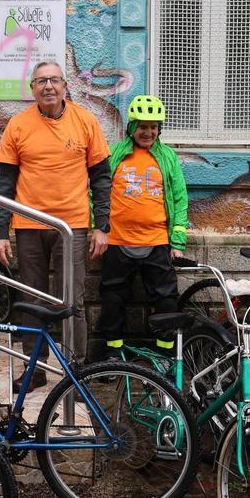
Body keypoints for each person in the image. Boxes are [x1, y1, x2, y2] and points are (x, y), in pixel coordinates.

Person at [0, 60, 111, 390]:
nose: (48, 86)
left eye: (54, 80)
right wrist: (1, 233)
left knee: (71, 299)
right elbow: (5, 184)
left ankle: (76, 368)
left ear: (64, 85)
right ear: (31, 89)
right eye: (40, 81)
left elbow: (101, 178)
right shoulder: (17, 126)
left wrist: (103, 225)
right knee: (32, 300)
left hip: (71, 226)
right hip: (28, 225)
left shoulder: (86, 121)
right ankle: (35, 368)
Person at [96, 95, 189, 359]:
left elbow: (180, 197)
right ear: (131, 127)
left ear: (160, 128)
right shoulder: (114, 154)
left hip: (157, 242)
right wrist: (98, 227)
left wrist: (178, 240)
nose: (148, 132)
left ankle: (167, 358)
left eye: (154, 126)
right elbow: (98, 192)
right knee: (113, 301)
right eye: (142, 126)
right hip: (117, 242)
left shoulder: (167, 156)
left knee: (166, 301)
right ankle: (113, 357)